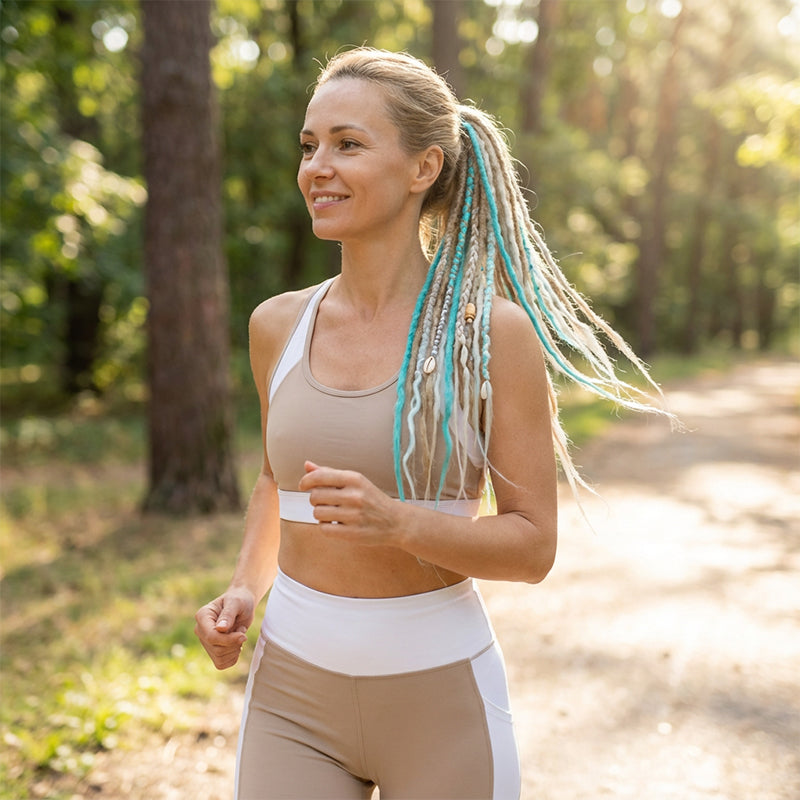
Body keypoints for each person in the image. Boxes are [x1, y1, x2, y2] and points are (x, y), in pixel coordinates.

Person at [195, 47, 666, 800]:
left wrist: (400, 523)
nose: (317, 166)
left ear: (424, 168)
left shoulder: (492, 336)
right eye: (309, 145)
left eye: (348, 144)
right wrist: (245, 589)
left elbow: (533, 545)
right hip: (291, 694)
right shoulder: (277, 324)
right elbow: (272, 483)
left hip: (439, 699)